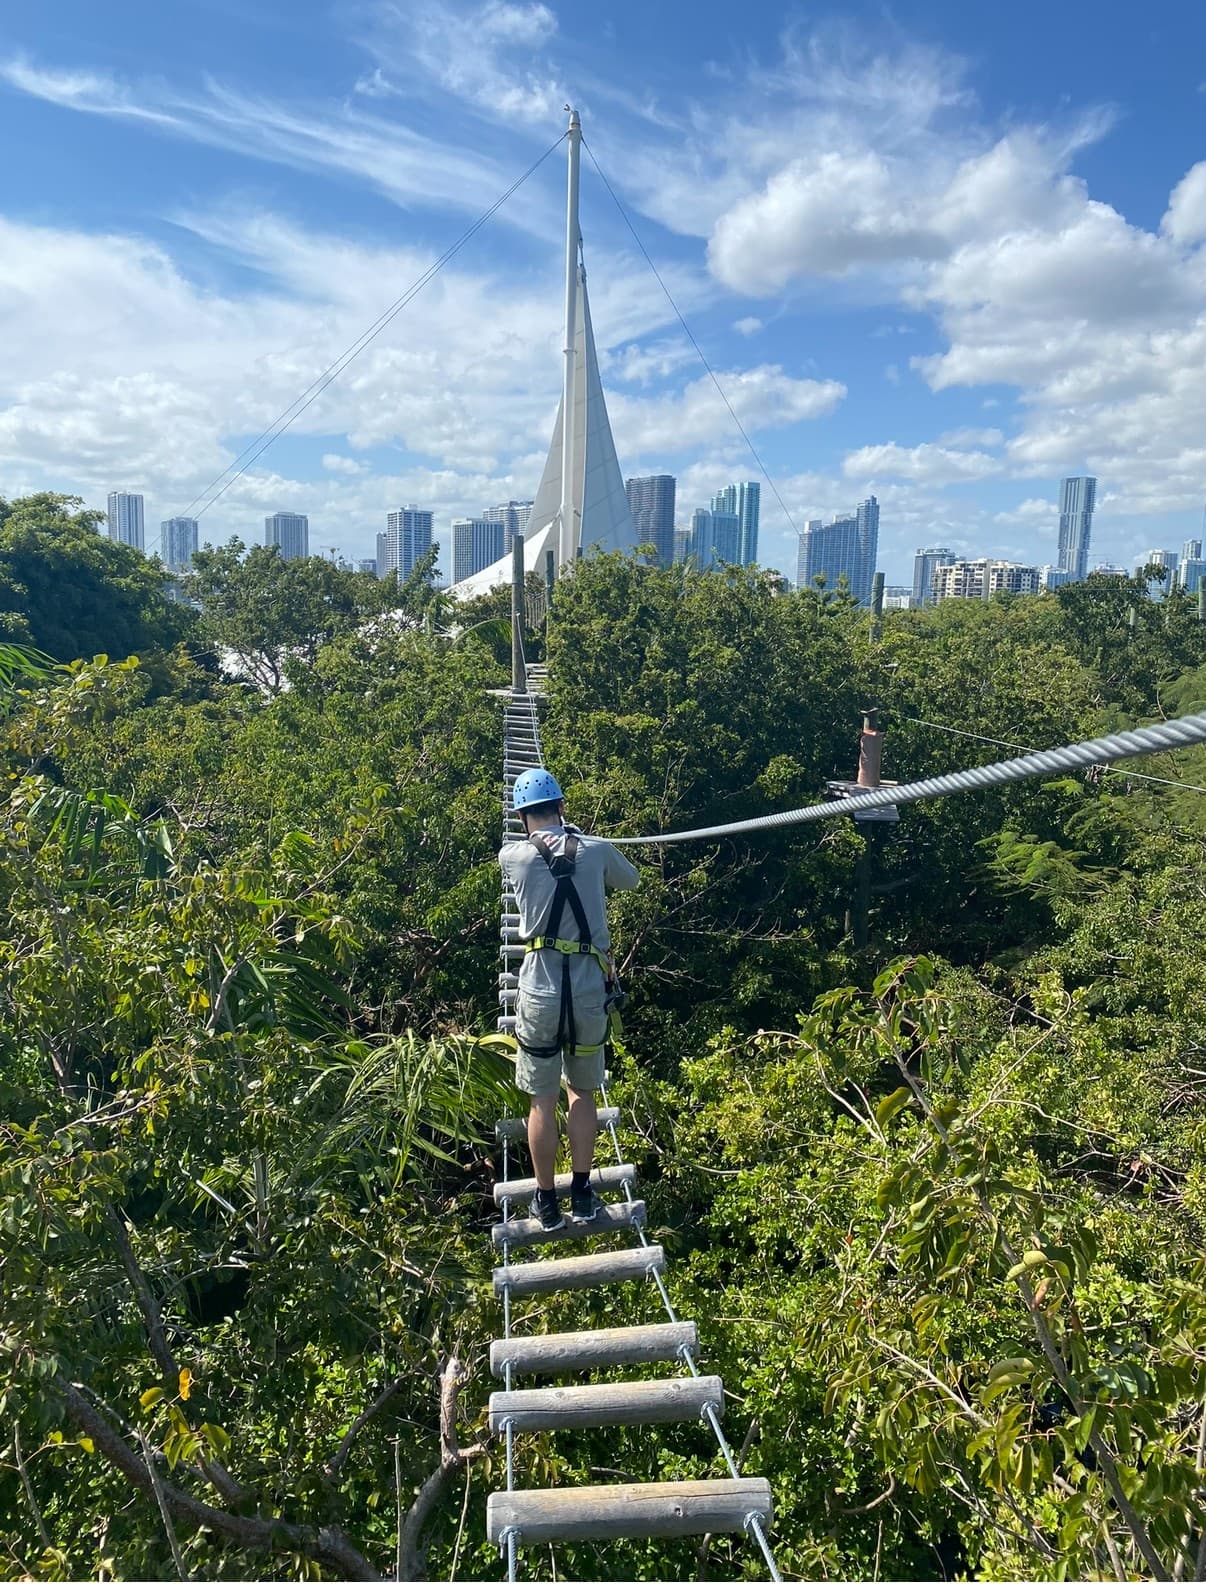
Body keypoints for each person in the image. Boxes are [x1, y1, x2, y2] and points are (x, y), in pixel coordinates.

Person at [499, 768, 640, 1231]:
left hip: (540, 987)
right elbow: (631, 880)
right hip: (586, 988)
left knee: (542, 1098)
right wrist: (582, 838)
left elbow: (535, 849)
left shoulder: (514, 857)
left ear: (523, 817)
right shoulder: (596, 851)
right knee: (581, 1091)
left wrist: (561, 837)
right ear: (562, 806)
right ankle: (581, 1193)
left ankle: (545, 1200)